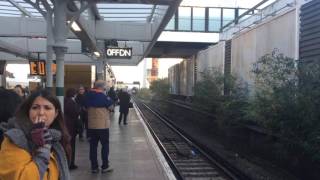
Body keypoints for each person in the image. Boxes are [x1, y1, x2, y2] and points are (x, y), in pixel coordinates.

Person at [0, 89, 71, 180]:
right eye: (35, 107)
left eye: (47, 108)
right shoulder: (15, 138)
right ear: (28, 111)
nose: (41, 113)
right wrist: (43, 149)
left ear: (56, 113)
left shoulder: (56, 140)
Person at [85, 80, 113, 173]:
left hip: (91, 126)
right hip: (102, 126)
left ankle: (94, 167)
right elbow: (111, 108)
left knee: (93, 147)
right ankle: (105, 167)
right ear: (101, 87)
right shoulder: (104, 97)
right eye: (105, 86)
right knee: (105, 146)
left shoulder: (88, 95)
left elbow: (84, 108)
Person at [64, 88, 80, 170]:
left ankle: (67, 162)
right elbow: (75, 113)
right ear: (73, 94)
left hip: (66, 126)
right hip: (71, 126)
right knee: (71, 146)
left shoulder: (64, 100)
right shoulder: (71, 102)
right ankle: (71, 163)